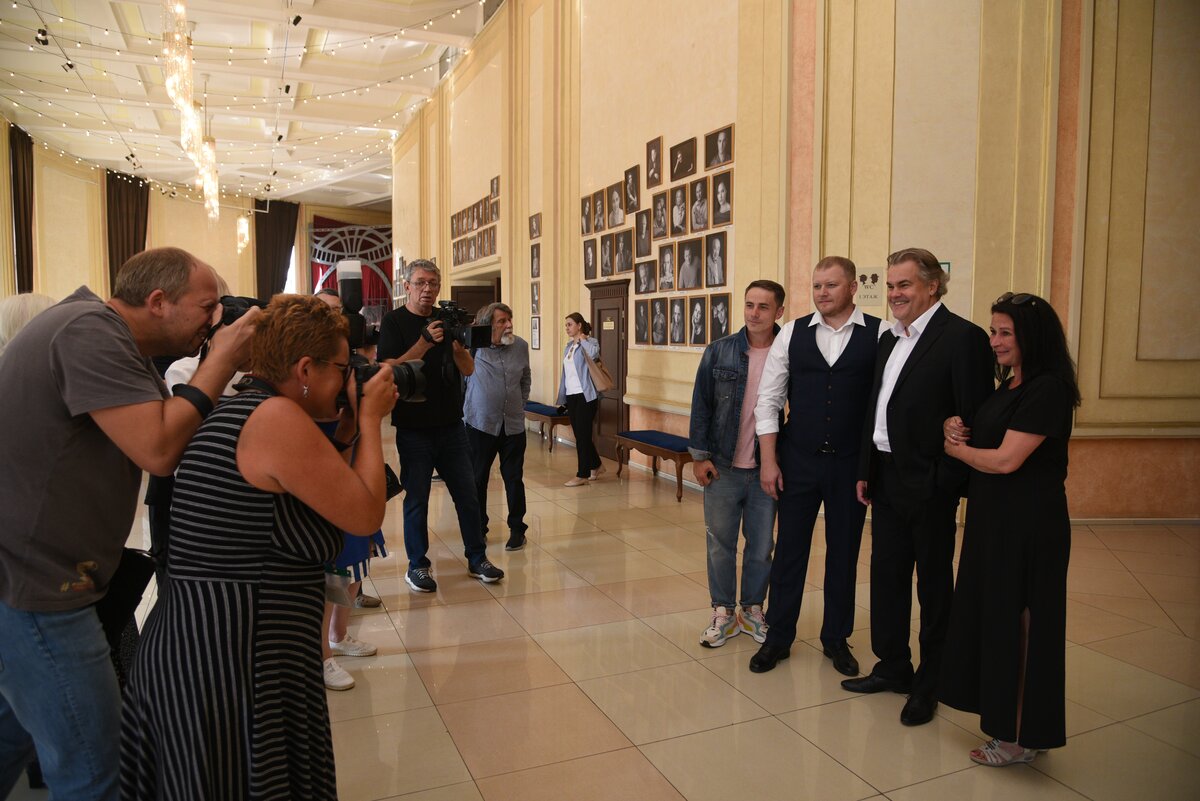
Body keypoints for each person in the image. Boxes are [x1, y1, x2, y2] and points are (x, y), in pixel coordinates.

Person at [0, 247, 257, 800]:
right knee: (96, 769)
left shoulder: (115, 341)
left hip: (37, 577)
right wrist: (221, 361)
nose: (215, 320)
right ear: (158, 301)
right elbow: (159, 449)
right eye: (207, 307)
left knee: (11, 740)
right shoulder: (87, 331)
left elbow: (172, 431)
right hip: (38, 585)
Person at [120, 295, 396, 799]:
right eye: (342, 369)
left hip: (215, 646)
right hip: (231, 660)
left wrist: (347, 430)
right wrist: (373, 420)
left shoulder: (242, 409)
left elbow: (312, 503)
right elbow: (362, 514)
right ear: (305, 368)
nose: (349, 380)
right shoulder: (274, 419)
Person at [842, 247, 993, 727]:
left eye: (904, 284)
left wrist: (944, 481)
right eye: (890, 285)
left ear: (932, 285)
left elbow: (975, 416)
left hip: (929, 484)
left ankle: (931, 680)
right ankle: (893, 666)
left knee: (933, 585)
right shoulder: (889, 339)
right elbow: (875, 408)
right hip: (885, 478)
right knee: (886, 577)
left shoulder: (963, 338)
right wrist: (866, 469)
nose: (894, 294)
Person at [939, 292, 1080, 766]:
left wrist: (956, 450)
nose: (995, 341)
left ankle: (1021, 735)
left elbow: (1005, 461)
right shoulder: (1011, 384)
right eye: (993, 331)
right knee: (998, 621)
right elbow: (991, 434)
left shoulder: (1048, 388)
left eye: (1005, 333)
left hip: (1028, 527)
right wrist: (957, 425)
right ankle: (1012, 724)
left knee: (1021, 626)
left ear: (1031, 338)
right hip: (995, 522)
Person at [748, 257, 887, 676]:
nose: (822, 293)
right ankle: (778, 637)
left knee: (844, 554)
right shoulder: (792, 333)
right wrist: (769, 461)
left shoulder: (881, 334)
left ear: (853, 287)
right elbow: (768, 401)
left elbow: (886, 402)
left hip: (850, 466)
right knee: (790, 552)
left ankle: (836, 639)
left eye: (831, 285)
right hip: (799, 461)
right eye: (816, 286)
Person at [378, 260, 504, 593]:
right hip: (413, 427)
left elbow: (469, 369)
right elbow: (388, 369)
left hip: (451, 426)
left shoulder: (447, 321)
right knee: (417, 500)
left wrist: (456, 346)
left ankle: (477, 558)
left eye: (433, 283)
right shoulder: (393, 321)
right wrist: (423, 342)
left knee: (468, 496)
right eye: (420, 282)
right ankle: (417, 566)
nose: (427, 289)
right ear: (407, 286)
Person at [688, 281, 786, 648]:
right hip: (723, 466)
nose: (754, 313)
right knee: (720, 544)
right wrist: (699, 457)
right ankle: (723, 611)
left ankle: (753, 610)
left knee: (761, 546)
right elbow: (701, 405)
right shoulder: (719, 351)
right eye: (749, 305)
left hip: (766, 469)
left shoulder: (789, 353)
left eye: (763, 306)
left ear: (779, 312)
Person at [311, 290, 385, 691]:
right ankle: (321, 653)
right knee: (329, 568)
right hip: (323, 466)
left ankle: (339, 635)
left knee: (354, 560)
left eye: (338, 312)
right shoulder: (305, 366)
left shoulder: (350, 361)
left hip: (352, 459)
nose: (334, 319)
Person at [465, 303, 532, 552]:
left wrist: (520, 404)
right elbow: (461, 381)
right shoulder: (473, 348)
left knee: (514, 478)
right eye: (502, 321)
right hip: (480, 424)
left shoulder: (521, 346)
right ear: (488, 325)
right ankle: (479, 528)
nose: (509, 325)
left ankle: (517, 529)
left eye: (509, 319)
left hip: (513, 425)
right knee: (477, 479)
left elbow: (526, 378)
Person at [557, 313, 604, 487]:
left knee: (583, 436)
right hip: (571, 395)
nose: (567, 328)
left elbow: (594, 354)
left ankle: (582, 474)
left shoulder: (590, 342)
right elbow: (566, 374)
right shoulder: (569, 346)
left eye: (570, 324)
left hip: (586, 395)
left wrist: (583, 340)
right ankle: (596, 465)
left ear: (579, 325)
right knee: (580, 435)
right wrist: (563, 397)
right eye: (566, 325)